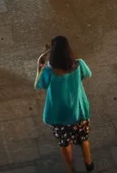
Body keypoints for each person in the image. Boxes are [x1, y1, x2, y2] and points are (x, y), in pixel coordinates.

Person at [37, 36, 95, 171]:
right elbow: (88, 74)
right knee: (83, 139)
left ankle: (70, 169)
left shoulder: (49, 72)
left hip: (59, 116)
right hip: (79, 112)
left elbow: (40, 84)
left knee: (64, 144)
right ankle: (89, 164)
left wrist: (41, 61)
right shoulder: (79, 64)